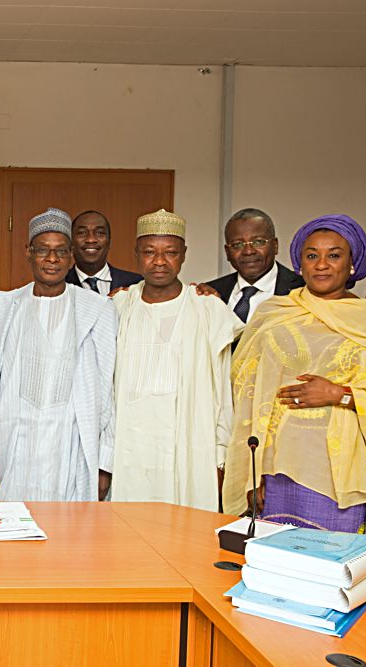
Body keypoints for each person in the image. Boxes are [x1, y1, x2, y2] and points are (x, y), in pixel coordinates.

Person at [223, 215, 366, 533]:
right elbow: (246, 397)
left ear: (352, 264)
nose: (322, 264)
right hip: (276, 470)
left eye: (334, 255)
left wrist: (340, 394)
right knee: (276, 563)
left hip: (338, 476)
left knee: (333, 565)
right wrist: (254, 474)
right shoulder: (274, 314)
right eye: (312, 255)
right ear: (299, 264)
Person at [0, 208, 118, 502]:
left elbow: (108, 388)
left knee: (68, 539)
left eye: (61, 251)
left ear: (72, 255)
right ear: (28, 252)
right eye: (43, 250)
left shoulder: (97, 310)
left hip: (71, 448)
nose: (52, 259)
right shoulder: (0, 308)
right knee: (5, 538)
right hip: (10, 446)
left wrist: (104, 462)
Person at [110, 209, 243, 511]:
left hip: (191, 448)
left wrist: (222, 453)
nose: (159, 261)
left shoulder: (207, 307)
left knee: (187, 536)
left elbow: (223, 388)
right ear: (136, 254)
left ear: (183, 255)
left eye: (170, 252)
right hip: (129, 448)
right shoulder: (119, 305)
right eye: (149, 252)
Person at [204, 208, 304, 322]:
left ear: (275, 246)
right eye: (237, 245)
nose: (248, 251)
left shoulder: (303, 289)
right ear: (227, 252)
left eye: (258, 242)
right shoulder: (211, 293)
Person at [65, 210, 142, 294]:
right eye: (82, 233)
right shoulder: (59, 284)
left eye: (99, 233)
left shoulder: (136, 284)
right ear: (71, 242)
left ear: (109, 242)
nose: (91, 239)